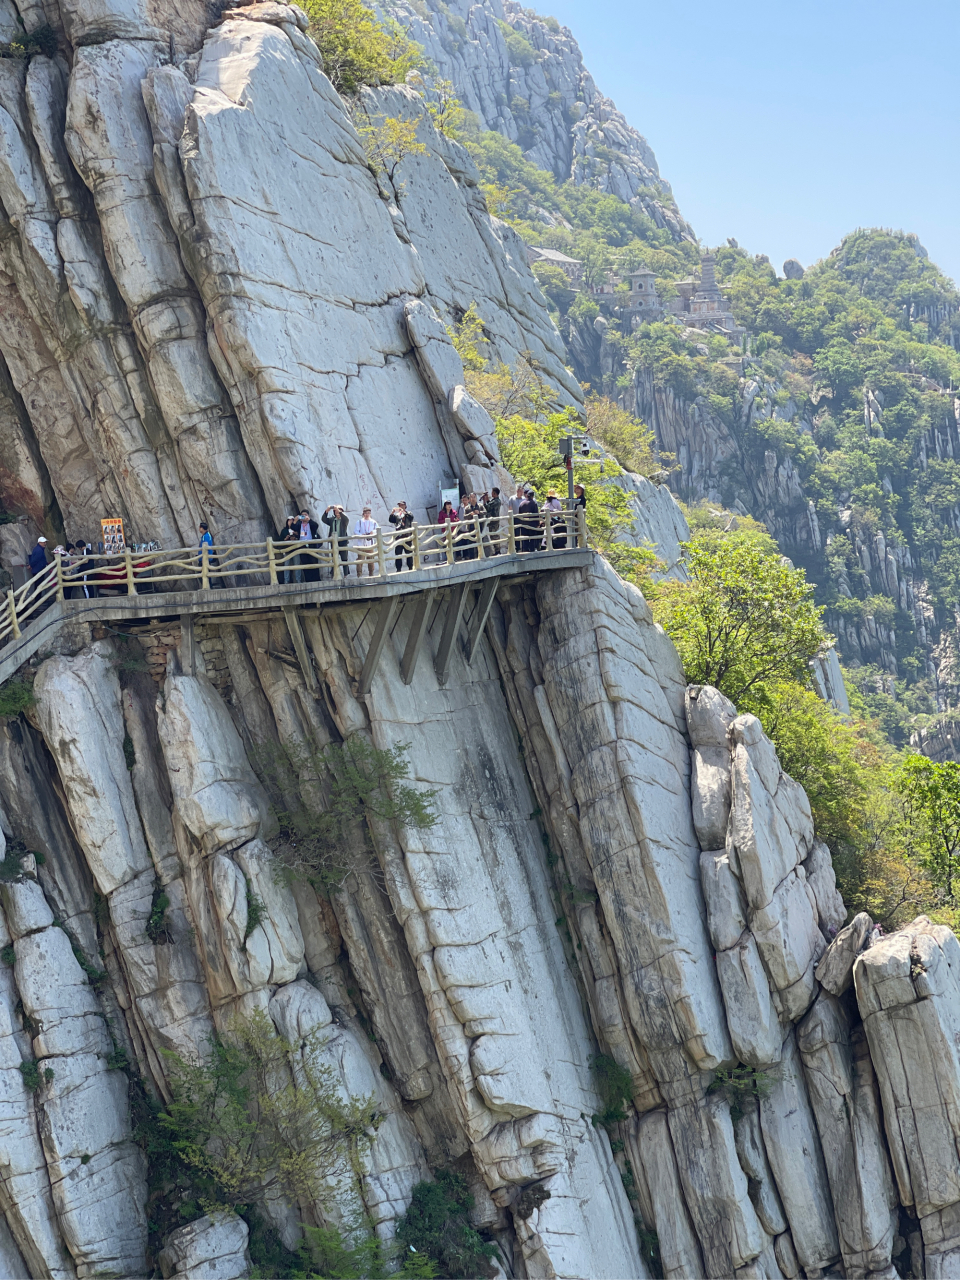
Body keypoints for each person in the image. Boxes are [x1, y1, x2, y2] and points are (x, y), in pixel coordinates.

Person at [321, 505, 350, 577]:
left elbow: (346, 518)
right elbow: (324, 519)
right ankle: (334, 574)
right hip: (334, 542)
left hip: (342, 542)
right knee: (334, 558)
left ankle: (346, 575)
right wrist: (326, 511)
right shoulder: (332, 520)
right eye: (336, 511)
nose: (337, 511)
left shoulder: (344, 520)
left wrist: (337, 509)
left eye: (339, 510)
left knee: (344, 559)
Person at [389, 501, 415, 572]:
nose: (401, 507)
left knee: (409, 553)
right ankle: (398, 569)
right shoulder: (397, 515)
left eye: (402, 505)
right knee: (398, 554)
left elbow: (411, 518)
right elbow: (391, 520)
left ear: (405, 506)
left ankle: (410, 567)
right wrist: (393, 512)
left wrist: (404, 512)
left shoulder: (409, 513)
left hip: (407, 536)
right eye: (400, 505)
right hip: (399, 537)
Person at [296, 509, 320, 583]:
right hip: (302, 545)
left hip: (311, 545)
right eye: (302, 515)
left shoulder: (311, 523)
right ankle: (308, 580)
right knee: (305, 562)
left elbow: (316, 526)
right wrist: (296, 519)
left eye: (305, 515)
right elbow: (293, 527)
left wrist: (309, 520)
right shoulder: (299, 524)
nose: (304, 517)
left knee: (314, 562)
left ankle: (316, 579)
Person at [198, 522, 224, 589]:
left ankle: (208, 587)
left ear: (201, 528)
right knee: (204, 573)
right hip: (204, 558)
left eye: (199, 527)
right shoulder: (206, 535)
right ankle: (208, 587)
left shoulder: (206, 536)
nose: (199, 529)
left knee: (203, 573)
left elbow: (207, 547)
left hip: (205, 558)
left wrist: (205, 558)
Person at [354, 507, 378, 576]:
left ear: (370, 513)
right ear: (363, 514)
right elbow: (356, 531)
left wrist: (372, 532)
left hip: (370, 544)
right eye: (365, 513)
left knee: (371, 559)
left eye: (368, 513)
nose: (367, 514)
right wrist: (362, 535)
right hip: (361, 544)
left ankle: (371, 573)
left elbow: (377, 530)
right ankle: (359, 573)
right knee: (360, 559)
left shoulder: (373, 522)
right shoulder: (359, 522)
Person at [518, 487, 540, 553]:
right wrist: (537, 523)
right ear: (532, 496)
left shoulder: (522, 503)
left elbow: (519, 514)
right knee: (532, 538)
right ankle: (532, 550)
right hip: (532, 524)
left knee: (525, 538)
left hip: (523, 523)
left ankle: (524, 550)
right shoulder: (534, 503)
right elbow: (536, 514)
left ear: (527, 495)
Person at [277, 516, 299, 583]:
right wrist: (285, 539)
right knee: (286, 566)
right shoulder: (284, 531)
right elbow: (279, 540)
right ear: (287, 522)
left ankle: (298, 580)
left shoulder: (297, 529)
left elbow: (301, 537)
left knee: (297, 566)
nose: (290, 522)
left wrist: (295, 536)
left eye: (292, 520)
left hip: (296, 549)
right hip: (287, 550)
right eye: (289, 520)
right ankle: (286, 580)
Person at [483, 488, 502, 555]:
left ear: (494, 493)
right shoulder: (494, 501)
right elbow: (490, 504)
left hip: (494, 522)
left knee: (495, 536)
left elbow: (488, 507)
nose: (491, 494)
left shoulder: (497, 501)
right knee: (492, 535)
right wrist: (487, 499)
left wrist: (484, 501)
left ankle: (497, 551)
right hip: (492, 522)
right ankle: (496, 551)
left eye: (492, 492)